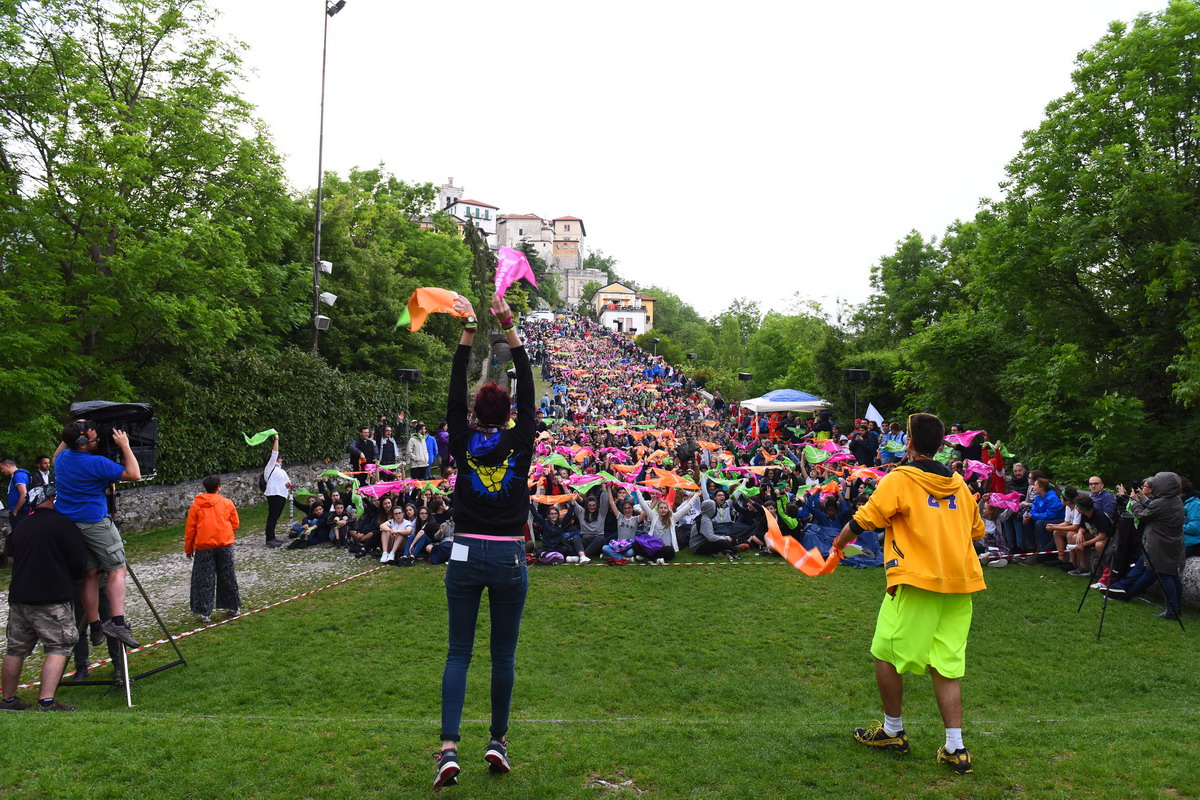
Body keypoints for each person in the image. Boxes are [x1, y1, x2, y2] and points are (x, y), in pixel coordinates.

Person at [833, 412, 986, 775]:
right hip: (959, 584)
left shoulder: (900, 478)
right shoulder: (961, 485)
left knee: (884, 652)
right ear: (941, 445)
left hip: (917, 580)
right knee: (946, 665)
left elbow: (864, 518)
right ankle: (955, 746)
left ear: (911, 444)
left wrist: (837, 546)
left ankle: (892, 730)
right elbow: (976, 531)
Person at [435, 291, 534, 788]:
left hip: (464, 552)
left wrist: (468, 334)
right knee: (503, 656)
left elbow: (453, 391)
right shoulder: (522, 439)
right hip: (509, 556)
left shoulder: (460, 436)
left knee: (458, 653)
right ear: (512, 412)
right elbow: (530, 383)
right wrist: (509, 328)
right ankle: (497, 740)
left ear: (474, 412)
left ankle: (448, 749)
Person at [52, 419, 141, 648]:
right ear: (82, 443)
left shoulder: (61, 459)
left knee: (91, 573)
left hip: (69, 524)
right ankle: (117, 623)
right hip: (94, 522)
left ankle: (96, 625)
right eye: (93, 438)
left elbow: (56, 454)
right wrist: (125, 445)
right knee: (117, 568)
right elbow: (134, 474)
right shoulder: (97, 463)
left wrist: (72, 430)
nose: (98, 441)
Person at [2, 484, 87, 711]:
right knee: (58, 646)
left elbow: (11, 553)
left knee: (15, 649)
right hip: (51, 597)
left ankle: (8, 699)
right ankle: (46, 701)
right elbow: (79, 562)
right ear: (52, 499)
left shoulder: (21, 527)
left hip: (19, 597)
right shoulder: (63, 525)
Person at [184, 475, 242, 624]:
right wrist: (224, 530)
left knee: (204, 579)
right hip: (224, 543)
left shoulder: (197, 505)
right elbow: (235, 523)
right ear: (219, 487)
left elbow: (190, 529)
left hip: (204, 546)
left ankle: (205, 612)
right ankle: (233, 606)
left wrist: (188, 548)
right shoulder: (226, 503)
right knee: (228, 575)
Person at [263, 435, 289, 548]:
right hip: (274, 494)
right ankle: (269, 538)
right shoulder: (271, 466)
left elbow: (286, 481)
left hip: (282, 494)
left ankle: (272, 536)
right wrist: (276, 439)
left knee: (276, 516)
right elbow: (274, 452)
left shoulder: (280, 470)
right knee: (272, 516)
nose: (281, 459)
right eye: (280, 457)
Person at [2, 457, 31, 529]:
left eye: (2, 468)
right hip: (20, 512)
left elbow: (24, 494)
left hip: (21, 512)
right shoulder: (16, 475)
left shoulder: (18, 475)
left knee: (19, 535)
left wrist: (15, 511)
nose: (2, 471)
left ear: (7, 466)